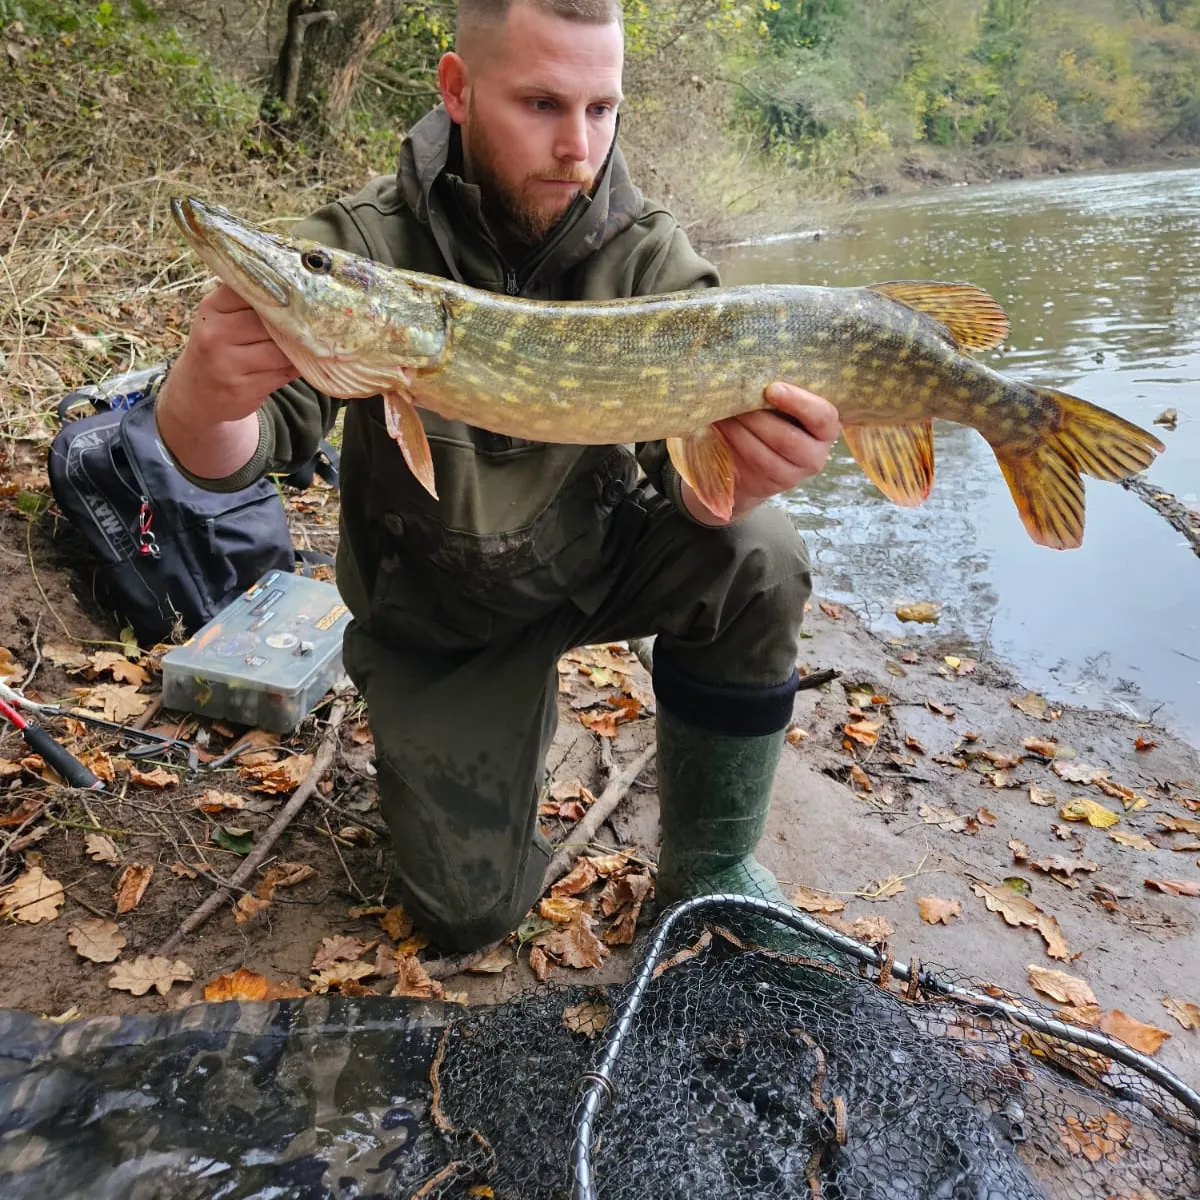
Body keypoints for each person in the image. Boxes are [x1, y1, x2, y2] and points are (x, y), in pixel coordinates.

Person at [154, 0, 841, 952]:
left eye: (603, 109)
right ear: (458, 90)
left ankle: (711, 864)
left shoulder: (649, 256)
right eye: (543, 104)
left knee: (758, 547)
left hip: (596, 565)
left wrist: (751, 474)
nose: (579, 146)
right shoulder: (361, 246)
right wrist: (202, 396)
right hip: (440, 619)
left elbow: (694, 494)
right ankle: (472, 748)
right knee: (467, 916)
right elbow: (227, 457)